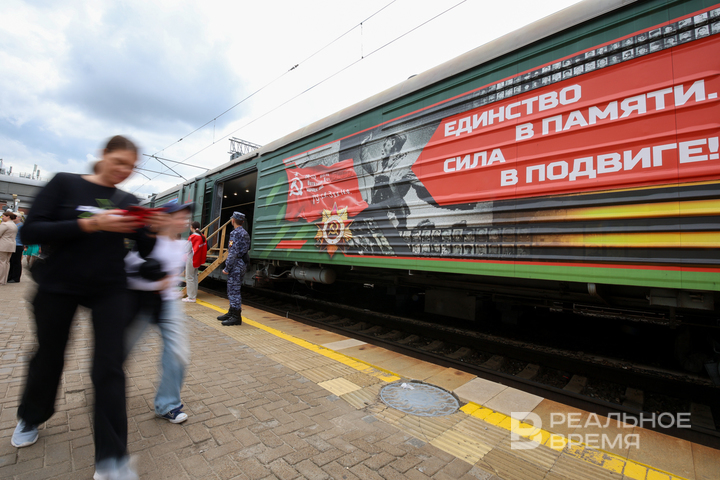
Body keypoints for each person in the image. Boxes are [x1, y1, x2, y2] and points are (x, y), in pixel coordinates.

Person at [13, 135, 157, 480]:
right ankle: (31, 415)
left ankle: (112, 458)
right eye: (119, 162)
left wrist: (152, 230)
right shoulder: (65, 183)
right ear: (104, 154)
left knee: (109, 367)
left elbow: (146, 248)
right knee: (49, 356)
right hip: (59, 284)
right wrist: (92, 223)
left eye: (131, 167)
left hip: (110, 288)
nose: (124, 170)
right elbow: (31, 231)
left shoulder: (129, 200)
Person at [124, 200, 192, 424]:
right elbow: (128, 272)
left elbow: (172, 277)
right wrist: (155, 282)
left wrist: (167, 285)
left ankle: (167, 405)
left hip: (169, 303)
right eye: (179, 216)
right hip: (141, 302)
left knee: (178, 353)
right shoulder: (149, 240)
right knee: (121, 350)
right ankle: (105, 387)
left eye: (186, 216)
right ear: (166, 218)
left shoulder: (183, 244)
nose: (184, 220)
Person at [216, 211, 250, 326]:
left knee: (233, 291)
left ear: (233, 220)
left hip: (235, 265)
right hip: (242, 263)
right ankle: (232, 312)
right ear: (242, 222)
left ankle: (236, 317)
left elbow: (232, 253)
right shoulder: (245, 233)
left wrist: (227, 268)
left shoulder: (235, 233)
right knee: (234, 289)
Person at [183, 221, 206, 303]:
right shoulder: (202, 236)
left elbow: (186, 249)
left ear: (192, 227)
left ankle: (191, 297)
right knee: (195, 278)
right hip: (197, 259)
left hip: (191, 259)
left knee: (189, 277)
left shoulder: (192, 237)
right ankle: (193, 295)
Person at [0, 211, 18, 285]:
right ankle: (4, 280)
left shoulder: (5, 224)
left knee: (1, 262)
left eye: (3, 216)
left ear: (8, 216)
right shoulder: (14, 225)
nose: (2, 217)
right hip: (11, 245)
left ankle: (0, 280)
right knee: (7, 262)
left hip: (3, 245)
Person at [7, 212, 24, 283]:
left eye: (14, 216)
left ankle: (16, 278)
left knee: (16, 262)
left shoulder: (21, 226)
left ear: (19, 217)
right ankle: (10, 276)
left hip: (18, 245)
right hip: (13, 244)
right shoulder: (14, 225)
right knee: (11, 261)